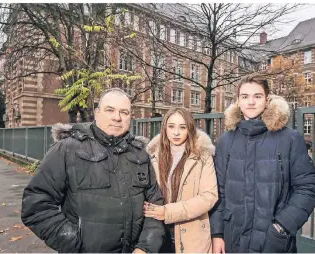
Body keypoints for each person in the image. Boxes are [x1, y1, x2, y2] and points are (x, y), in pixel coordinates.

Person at [21, 88, 165, 253]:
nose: (117, 117)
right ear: (97, 113)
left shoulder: (140, 154)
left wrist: (145, 248)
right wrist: (75, 244)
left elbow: (155, 205)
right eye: (110, 110)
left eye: (124, 112)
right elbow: (36, 206)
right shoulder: (68, 149)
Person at [210, 75, 315, 253]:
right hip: (233, 238)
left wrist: (282, 226)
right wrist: (217, 233)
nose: (251, 102)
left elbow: (308, 187)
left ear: (267, 99)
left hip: (273, 242)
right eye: (245, 96)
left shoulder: (289, 138)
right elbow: (217, 190)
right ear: (238, 100)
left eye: (258, 96)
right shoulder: (226, 140)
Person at [143, 107, 218, 253]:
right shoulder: (152, 154)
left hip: (191, 233)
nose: (176, 132)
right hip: (157, 231)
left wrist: (168, 212)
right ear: (165, 128)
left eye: (182, 127)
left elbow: (209, 196)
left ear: (189, 129)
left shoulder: (202, 156)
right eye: (171, 126)